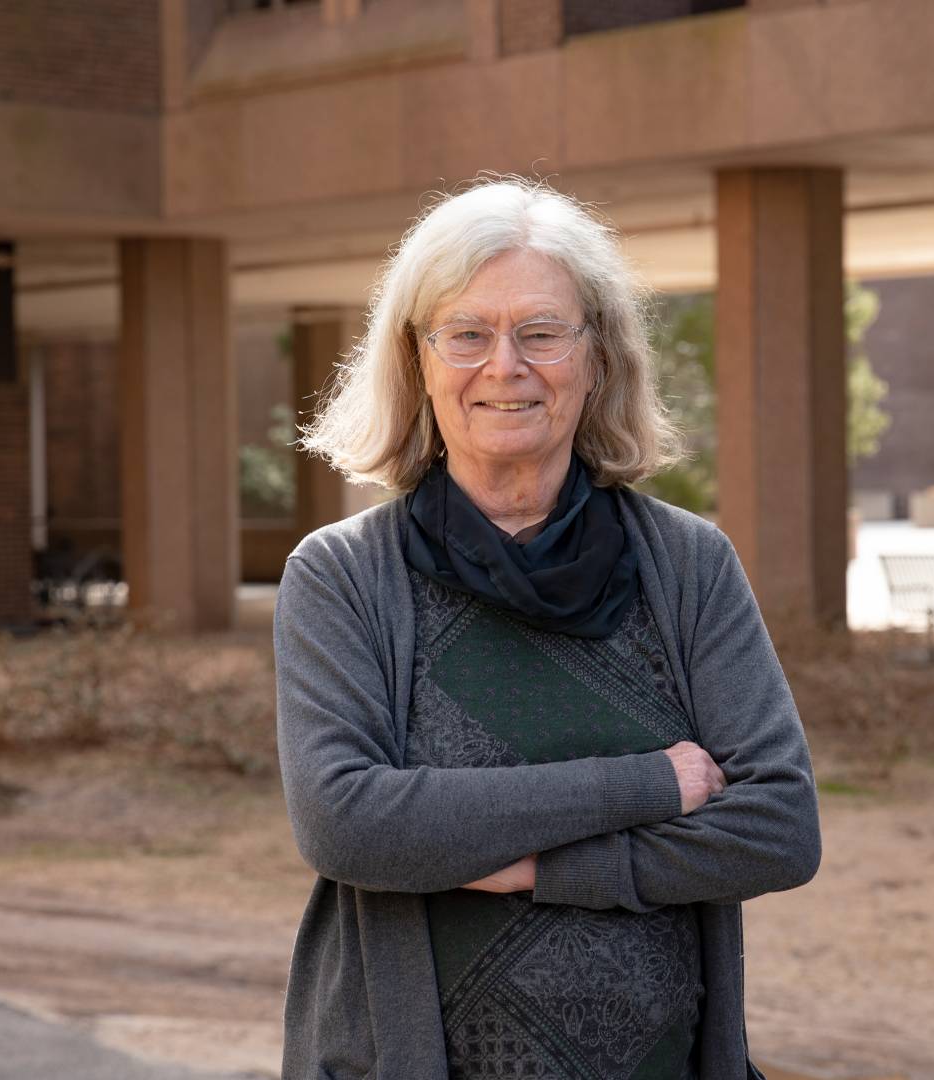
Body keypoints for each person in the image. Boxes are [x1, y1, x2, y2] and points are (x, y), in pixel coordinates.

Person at [274, 177, 822, 1080]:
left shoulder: (687, 565)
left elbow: (778, 826)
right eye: (467, 334)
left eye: (541, 332)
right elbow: (350, 824)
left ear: (597, 357)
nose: (505, 366)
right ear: (417, 362)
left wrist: (531, 865)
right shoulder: (342, 578)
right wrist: (646, 783)